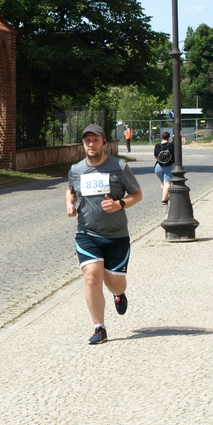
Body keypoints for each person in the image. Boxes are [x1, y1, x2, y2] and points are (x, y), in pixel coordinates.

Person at [66, 125, 143, 344]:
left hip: (117, 235)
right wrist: (70, 204)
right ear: (83, 144)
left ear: (104, 142)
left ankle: (119, 294)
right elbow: (70, 190)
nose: (91, 144)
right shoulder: (76, 170)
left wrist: (119, 204)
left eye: (95, 140)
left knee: (115, 283)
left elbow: (137, 194)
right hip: (87, 233)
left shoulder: (119, 167)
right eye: (87, 140)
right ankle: (99, 328)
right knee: (92, 277)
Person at [153, 131, 174, 205]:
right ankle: (164, 200)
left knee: (163, 183)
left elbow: (156, 156)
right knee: (167, 183)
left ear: (161, 137)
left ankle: (166, 196)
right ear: (169, 137)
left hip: (158, 166)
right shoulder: (171, 145)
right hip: (169, 166)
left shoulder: (157, 145)